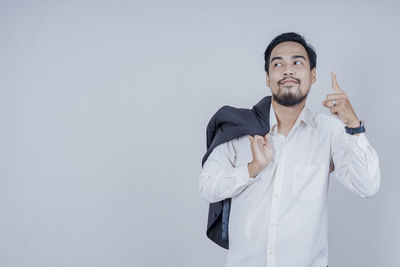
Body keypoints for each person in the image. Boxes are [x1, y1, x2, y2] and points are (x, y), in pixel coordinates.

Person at [198, 32, 381, 267]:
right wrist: (252, 168)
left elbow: (367, 185)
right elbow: (207, 187)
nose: (288, 70)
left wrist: (354, 125)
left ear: (312, 75)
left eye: (297, 62)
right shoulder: (239, 128)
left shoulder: (330, 131)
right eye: (278, 64)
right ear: (267, 77)